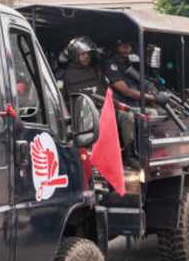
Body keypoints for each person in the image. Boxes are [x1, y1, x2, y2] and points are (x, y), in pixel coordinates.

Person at [104, 40, 169, 168]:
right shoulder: (110, 65)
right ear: (116, 47)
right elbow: (126, 91)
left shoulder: (131, 64)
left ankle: (150, 151)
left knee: (156, 113)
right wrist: (153, 98)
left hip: (136, 104)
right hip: (121, 106)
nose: (127, 49)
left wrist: (154, 92)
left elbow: (143, 82)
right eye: (123, 46)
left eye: (128, 46)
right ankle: (129, 155)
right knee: (130, 117)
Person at [55, 36, 107, 102]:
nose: (87, 56)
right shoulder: (62, 75)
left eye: (88, 53)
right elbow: (59, 98)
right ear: (74, 55)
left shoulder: (96, 70)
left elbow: (105, 93)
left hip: (99, 110)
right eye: (83, 54)